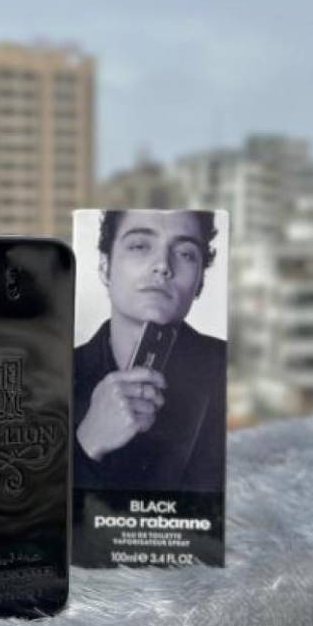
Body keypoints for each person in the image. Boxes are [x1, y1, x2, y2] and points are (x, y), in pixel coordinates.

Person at [74, 210, 226, 492]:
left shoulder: (230, 370)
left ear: (200, 282)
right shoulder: (53, 374)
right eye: (139, 246)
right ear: (105, 267)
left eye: (185, 253)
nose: (163, 266)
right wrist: (85, 444)